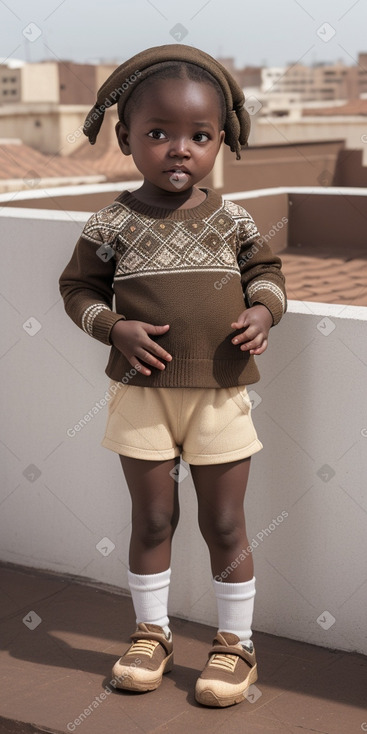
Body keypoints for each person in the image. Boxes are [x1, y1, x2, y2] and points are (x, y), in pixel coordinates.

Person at [59, 43, 287, 708]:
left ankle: (234, 644)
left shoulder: (234, 220)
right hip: (140, 397)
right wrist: (114, 327)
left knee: (224, 523)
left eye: (198, 136)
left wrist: (261, 312)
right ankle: (150, 633)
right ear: (125, 137)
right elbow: (77, 288)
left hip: (219, 396)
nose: (178, 149)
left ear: (221, 140)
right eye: (157, 133)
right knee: (152, 518)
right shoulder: (112, 222)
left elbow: (268, 275)